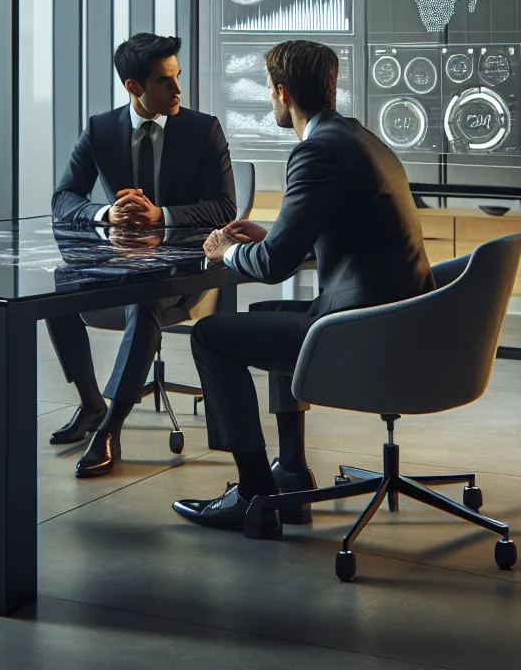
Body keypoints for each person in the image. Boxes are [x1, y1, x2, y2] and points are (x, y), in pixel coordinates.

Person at [173, 39, 435, 537]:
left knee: (209, 336)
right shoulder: (359, 139)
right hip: (400, 319)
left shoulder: (316, 151)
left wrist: (223, 252)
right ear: (332, 86)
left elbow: (272, 265)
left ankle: (254, 495)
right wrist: (270, 234)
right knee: (274, 311)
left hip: (364, 331)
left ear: (281, 93)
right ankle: (290, 472)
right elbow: (337, 235)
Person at [47, 33, 236, 477]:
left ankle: (110, 427)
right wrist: (105, 212)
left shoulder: (202, 129)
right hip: (117, 263)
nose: (177, 90)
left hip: (180, 269)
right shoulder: (100, 129)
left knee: (145, 299)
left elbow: (225, 207)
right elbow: (63, 198)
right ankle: (91, 403)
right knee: (55, 285)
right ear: (134, 87)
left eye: (178, 78)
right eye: (164, 81)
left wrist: (161, 215)